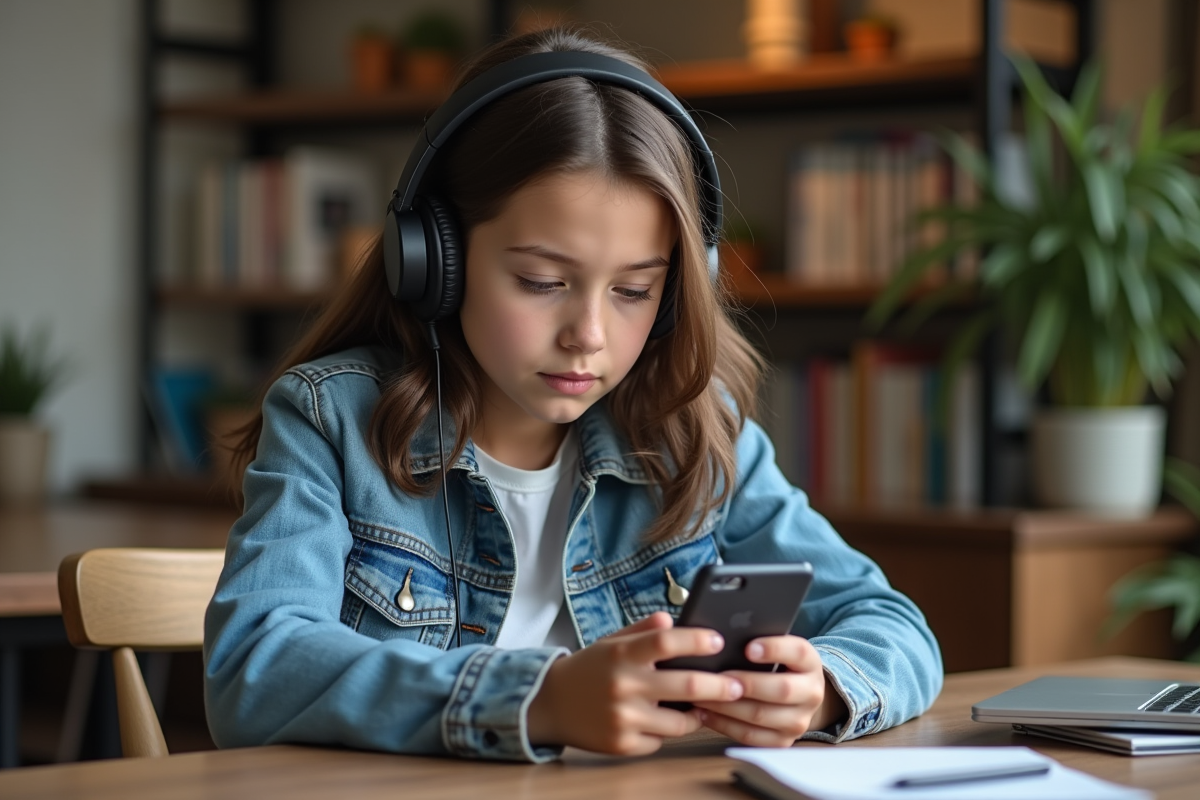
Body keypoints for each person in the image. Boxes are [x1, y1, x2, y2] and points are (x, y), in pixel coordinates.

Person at [203, 26, 942, 763]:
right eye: (542, 282)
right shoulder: (330, 418)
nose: (588, 333)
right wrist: (541, 699)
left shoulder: (695, 431)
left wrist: (822, 690)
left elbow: (891, 624)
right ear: (434, 260)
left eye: (634, 289)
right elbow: (254, 670)